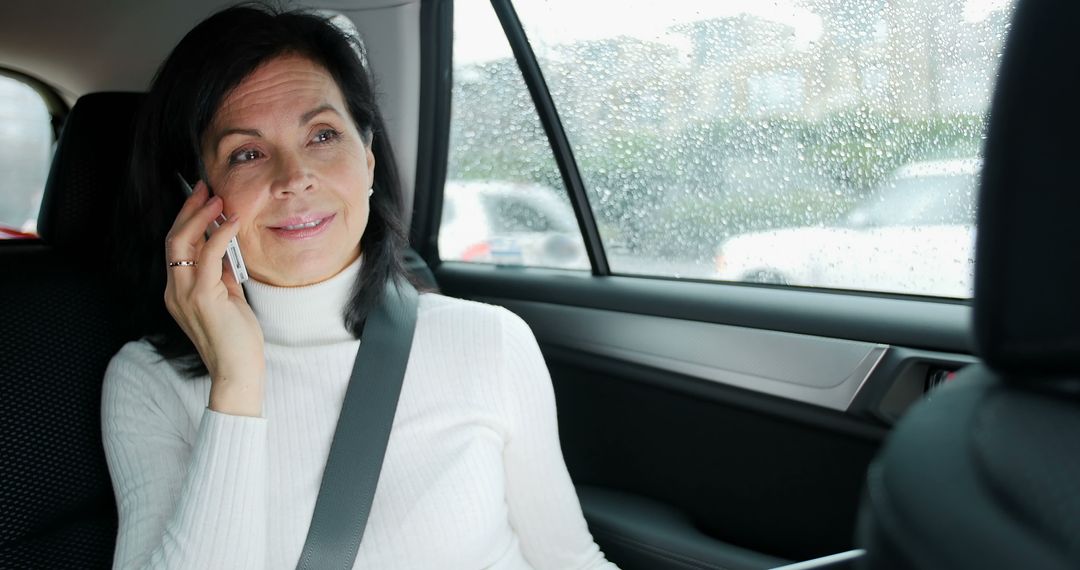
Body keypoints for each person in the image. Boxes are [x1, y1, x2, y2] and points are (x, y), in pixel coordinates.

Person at [103, 5, 618, 569]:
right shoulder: (148, 383)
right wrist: (236, 385)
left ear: (368, 163)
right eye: (247, 153)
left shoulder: (493, 340)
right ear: (193, 196)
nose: (295, 176)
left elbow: (571, 559)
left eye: (322, 135)